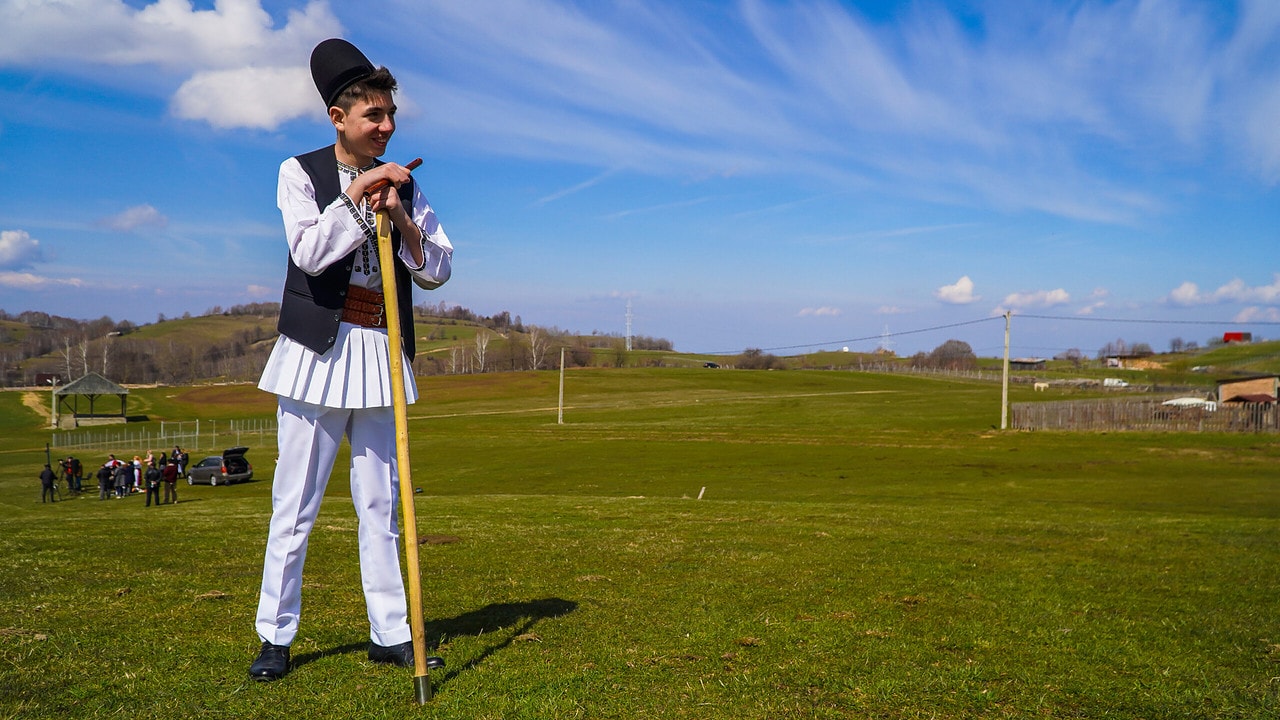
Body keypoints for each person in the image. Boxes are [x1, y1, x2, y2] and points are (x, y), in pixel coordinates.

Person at [248, 38, 453, 683]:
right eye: (375, 116)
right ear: (339, 118)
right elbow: (308, 253)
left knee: (381, 504)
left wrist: (402, 218)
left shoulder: (407, 185)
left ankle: (391, 632)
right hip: (316, 354)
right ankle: (276, 636)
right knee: (296, 505)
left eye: (392, 114)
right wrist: (360, 200)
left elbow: (439, 271)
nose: (388, 127)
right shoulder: (298, 173)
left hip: (381, 355)